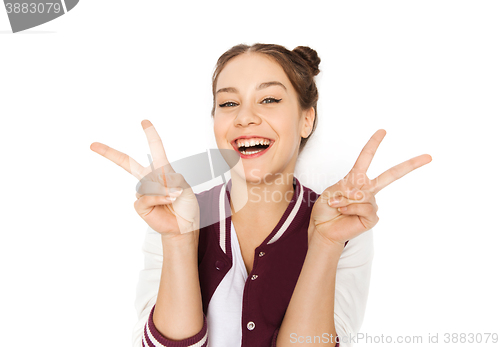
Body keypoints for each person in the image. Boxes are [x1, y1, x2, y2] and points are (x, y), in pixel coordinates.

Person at [90, 43, 432, 347]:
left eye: (269, 99)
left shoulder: (344, 225)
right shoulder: (174, 214)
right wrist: (179, 241)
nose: (245, 117)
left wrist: (325, 244)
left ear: (306, 120)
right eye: (228, 102)